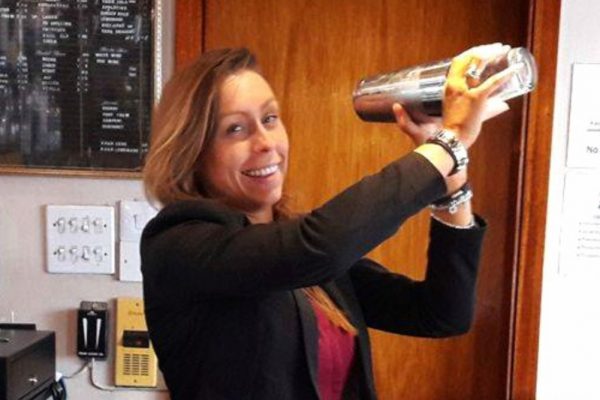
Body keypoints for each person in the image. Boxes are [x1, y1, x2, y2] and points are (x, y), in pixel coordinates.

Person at [141, 44, 514, 400]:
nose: (266, 142)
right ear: (192, 152)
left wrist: (453, 191)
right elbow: (317, 247)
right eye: (235, 129)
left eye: (270, 118)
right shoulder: (179, 244)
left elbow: (440, 313)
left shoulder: (312, 260)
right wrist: (447, 145)